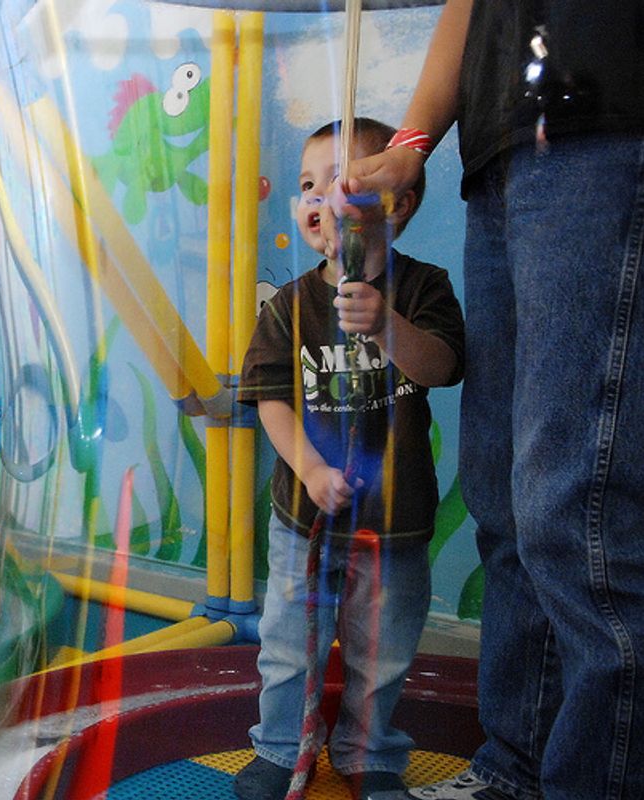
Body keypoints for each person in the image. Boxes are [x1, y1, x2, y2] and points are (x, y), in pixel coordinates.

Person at [323, 2, 644, 799]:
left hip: (602, 124)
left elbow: (429, 360)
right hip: (500, 154)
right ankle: (515, 768)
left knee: (578, 509)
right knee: (503, 498)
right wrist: (411, 144)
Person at [234, 117, 465, 800]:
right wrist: (306, 467)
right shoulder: (289, 304)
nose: (319, 198)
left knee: (381, 654)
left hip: (396, 522)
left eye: (341, 182)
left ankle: (370, 754)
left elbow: (444, 367)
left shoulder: (424, 288)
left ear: (398, 201)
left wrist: (386, 325)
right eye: (308, 186)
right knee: (287, 648)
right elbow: (269, 397)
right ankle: (280, 747)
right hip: (302, 521)